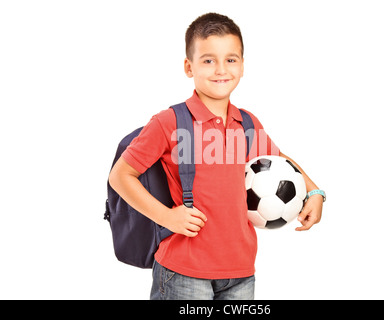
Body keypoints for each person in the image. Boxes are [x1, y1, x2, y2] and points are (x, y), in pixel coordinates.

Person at [108, 12, 325, 300]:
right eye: (208, 60)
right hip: (183, 272)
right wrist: (167, 218)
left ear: (243, 65)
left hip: (241, 271)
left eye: (230, 59)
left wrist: (315, 191)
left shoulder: (247, 123)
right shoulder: (170, 122)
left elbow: (279, 158)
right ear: (189, 67)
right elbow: (121, 175)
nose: (220, 69)